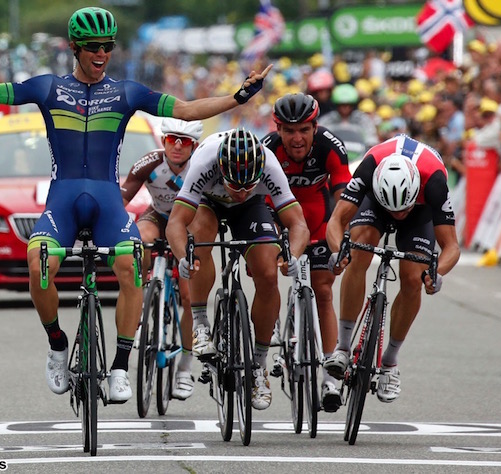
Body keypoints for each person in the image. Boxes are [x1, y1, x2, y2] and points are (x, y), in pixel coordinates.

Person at [0, 7, 272, 403]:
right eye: (93, 46)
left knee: (131, 262)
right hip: (64, 198)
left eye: (107, 46)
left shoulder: (126, 92)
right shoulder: (47, 88)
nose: (101, 53)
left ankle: (121, 367)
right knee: (40, 261)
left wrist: (237, 96)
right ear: (75, 48)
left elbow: (184, 110)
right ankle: (57, 345)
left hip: (108, 200)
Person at [166, 128, 311, 410]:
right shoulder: (204, 162)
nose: (241, 192)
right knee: (200, 241)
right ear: (222, 169)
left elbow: (298, 224)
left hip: (252, 210)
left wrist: (292, 255)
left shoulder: (268, 165)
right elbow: (175, 223)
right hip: (209, 202)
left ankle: (258, 365)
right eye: (236, 185)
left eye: (249, 185)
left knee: (268, 273)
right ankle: (200, 325)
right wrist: (184, 256)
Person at [324, 134, 460, 403]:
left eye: (402, 209)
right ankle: (342, 347)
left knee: (413, 277)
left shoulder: (434, 182)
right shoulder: (369, 167)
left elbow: (451, 247)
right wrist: (338, 251)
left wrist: (436, 273)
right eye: (394, 211)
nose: (398, 215)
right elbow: (336, 220)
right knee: (358, 251)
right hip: (375, 204)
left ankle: (390, 361)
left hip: (419, 211)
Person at [262, 93, 351, 413]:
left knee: (324, 289)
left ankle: (331, 376)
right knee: (266, 273)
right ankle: (270, 336)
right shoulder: (267, 148)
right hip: (277, 221)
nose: (297, 138)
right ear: (278, 129)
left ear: (315, 127)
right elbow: (255, 200)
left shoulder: (330, 146)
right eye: (289, 130)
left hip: (319, 222)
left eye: (304, 129)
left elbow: (345, 197)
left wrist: (344, 238)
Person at [121, 117, 203, 400]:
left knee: (190, 298)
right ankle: (144, 296)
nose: (177, 147)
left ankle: (184, 368)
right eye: (171, 140)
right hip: (158, 215)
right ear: (163, 141)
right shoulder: (150, 162)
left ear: (194, 146)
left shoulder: (200, 166)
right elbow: (122, 198)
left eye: (185, 142)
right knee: (140, 238)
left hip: (189, 223)